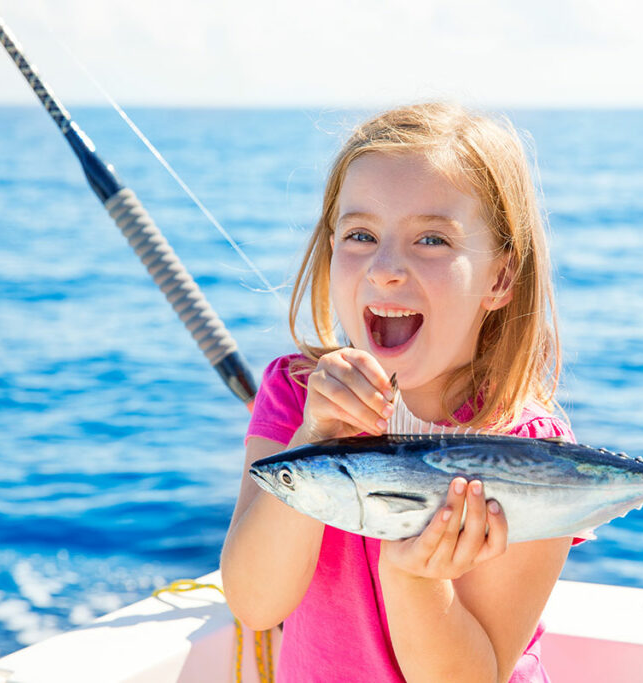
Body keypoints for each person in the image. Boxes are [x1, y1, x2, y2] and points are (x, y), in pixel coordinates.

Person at [221, 102, 575, 683]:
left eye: (432, 240)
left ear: (499, 279)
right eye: (360, 234)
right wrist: (314, 440)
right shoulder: (294, 396)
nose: (385, 268)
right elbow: (255, 603)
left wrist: (414, 577)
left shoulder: (533, 452)